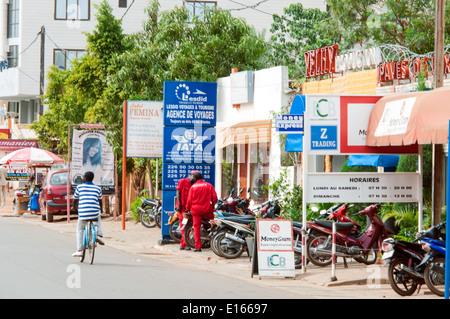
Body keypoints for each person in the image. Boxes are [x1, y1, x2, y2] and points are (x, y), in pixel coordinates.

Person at [72, 171, 105, 257]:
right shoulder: (98, 188)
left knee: (79, 230)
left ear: (85, 178)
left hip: (83, 213)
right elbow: (100, 201)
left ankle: (79, 250)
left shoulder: (79, 187)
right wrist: (101, 210)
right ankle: (98, 234)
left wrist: (75, 208)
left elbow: (75, 200)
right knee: (98, 216)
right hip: (94, 213)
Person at [186, 171, 217, 252]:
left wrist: (187, 208)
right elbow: (215, 197)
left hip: (196, 210)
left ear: (195, 179)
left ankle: (198, 247)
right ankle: (214, 241)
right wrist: (212, 206)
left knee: (196, 228)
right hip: (207, 209)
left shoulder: (193, 187)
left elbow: (189, 200)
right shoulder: (209, 185)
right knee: (213, 224)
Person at [175, 172, 196, 250]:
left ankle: (183, 244)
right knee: (184, 225)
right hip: (182, 208)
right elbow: (178, 192)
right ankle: (184, 244)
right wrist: (179, 205)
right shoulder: (182, 181)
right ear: (191, 176)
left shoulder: (193, 185)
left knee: (187, 226)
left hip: (189, 208)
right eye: (195, 178)